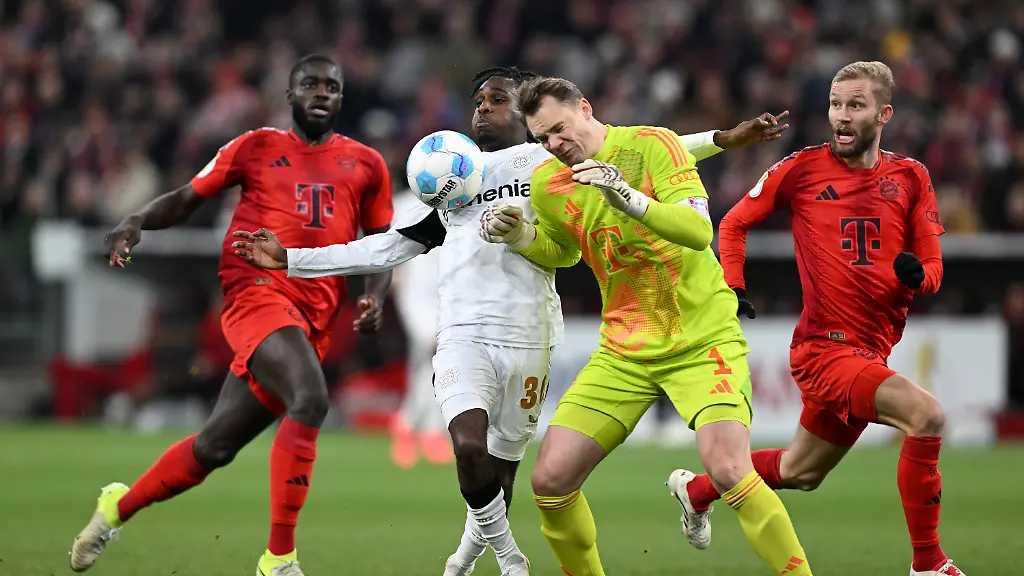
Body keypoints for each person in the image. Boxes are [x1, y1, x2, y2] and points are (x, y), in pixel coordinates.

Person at [232, 66, 788, 576]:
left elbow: (645, 147)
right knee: (471, 449)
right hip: (464, 333)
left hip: (531, 334)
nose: (483, 109)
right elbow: (392, 245)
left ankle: (464, 556)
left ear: (525, 117)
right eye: (478, 101)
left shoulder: (549, 165)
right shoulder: (456, 177)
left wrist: (723, 140)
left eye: (497, 100)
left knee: (502, 474)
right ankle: (509, 560)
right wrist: (294, 260)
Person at [69, 54, 394, 576]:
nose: (320, 93)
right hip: (255, 293)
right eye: (309, 84)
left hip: (313, 315)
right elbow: (188, 197)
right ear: (290, 95)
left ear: (341, 97)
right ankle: (279, 559)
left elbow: (381, 244)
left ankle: (114, 509)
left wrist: (375, 295)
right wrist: (136, 220)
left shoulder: (367, 164)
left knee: (213, 448)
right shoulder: (255, 146)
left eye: (330, 87)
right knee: (311, 398)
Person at [477, 76, 812, 576]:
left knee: (728, 469)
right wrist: (521, 235)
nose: (554, 144)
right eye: (542, 138)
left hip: (701, 339)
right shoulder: (548, 185)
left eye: (559, 129)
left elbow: (698, 230)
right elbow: (564, 253)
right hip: (623, 351)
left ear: (585, 108)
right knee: (550, 480)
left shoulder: (653, 146)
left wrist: (626, 195)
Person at [677, 61, 963, 576]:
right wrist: (733, 287)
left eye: (856, 105)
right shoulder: (801, 169)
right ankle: (929, 563)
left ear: (884, 114)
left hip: (871, 350)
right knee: (927, 417)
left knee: (799, 471)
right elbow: (734, 223)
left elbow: (935, 269)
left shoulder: (911, 176)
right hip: (824, 350)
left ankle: (696, 490)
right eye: (835, 104)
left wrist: (918, 276)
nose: (842, 116)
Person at [390, 187, 453, 469]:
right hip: (416, 295)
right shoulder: (401, 204)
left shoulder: (458, 199)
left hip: (450, 292)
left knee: (426, 364)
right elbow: (388, 245)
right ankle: (429, 431)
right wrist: (392, 276)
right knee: (436, 351)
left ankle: (407, 423)